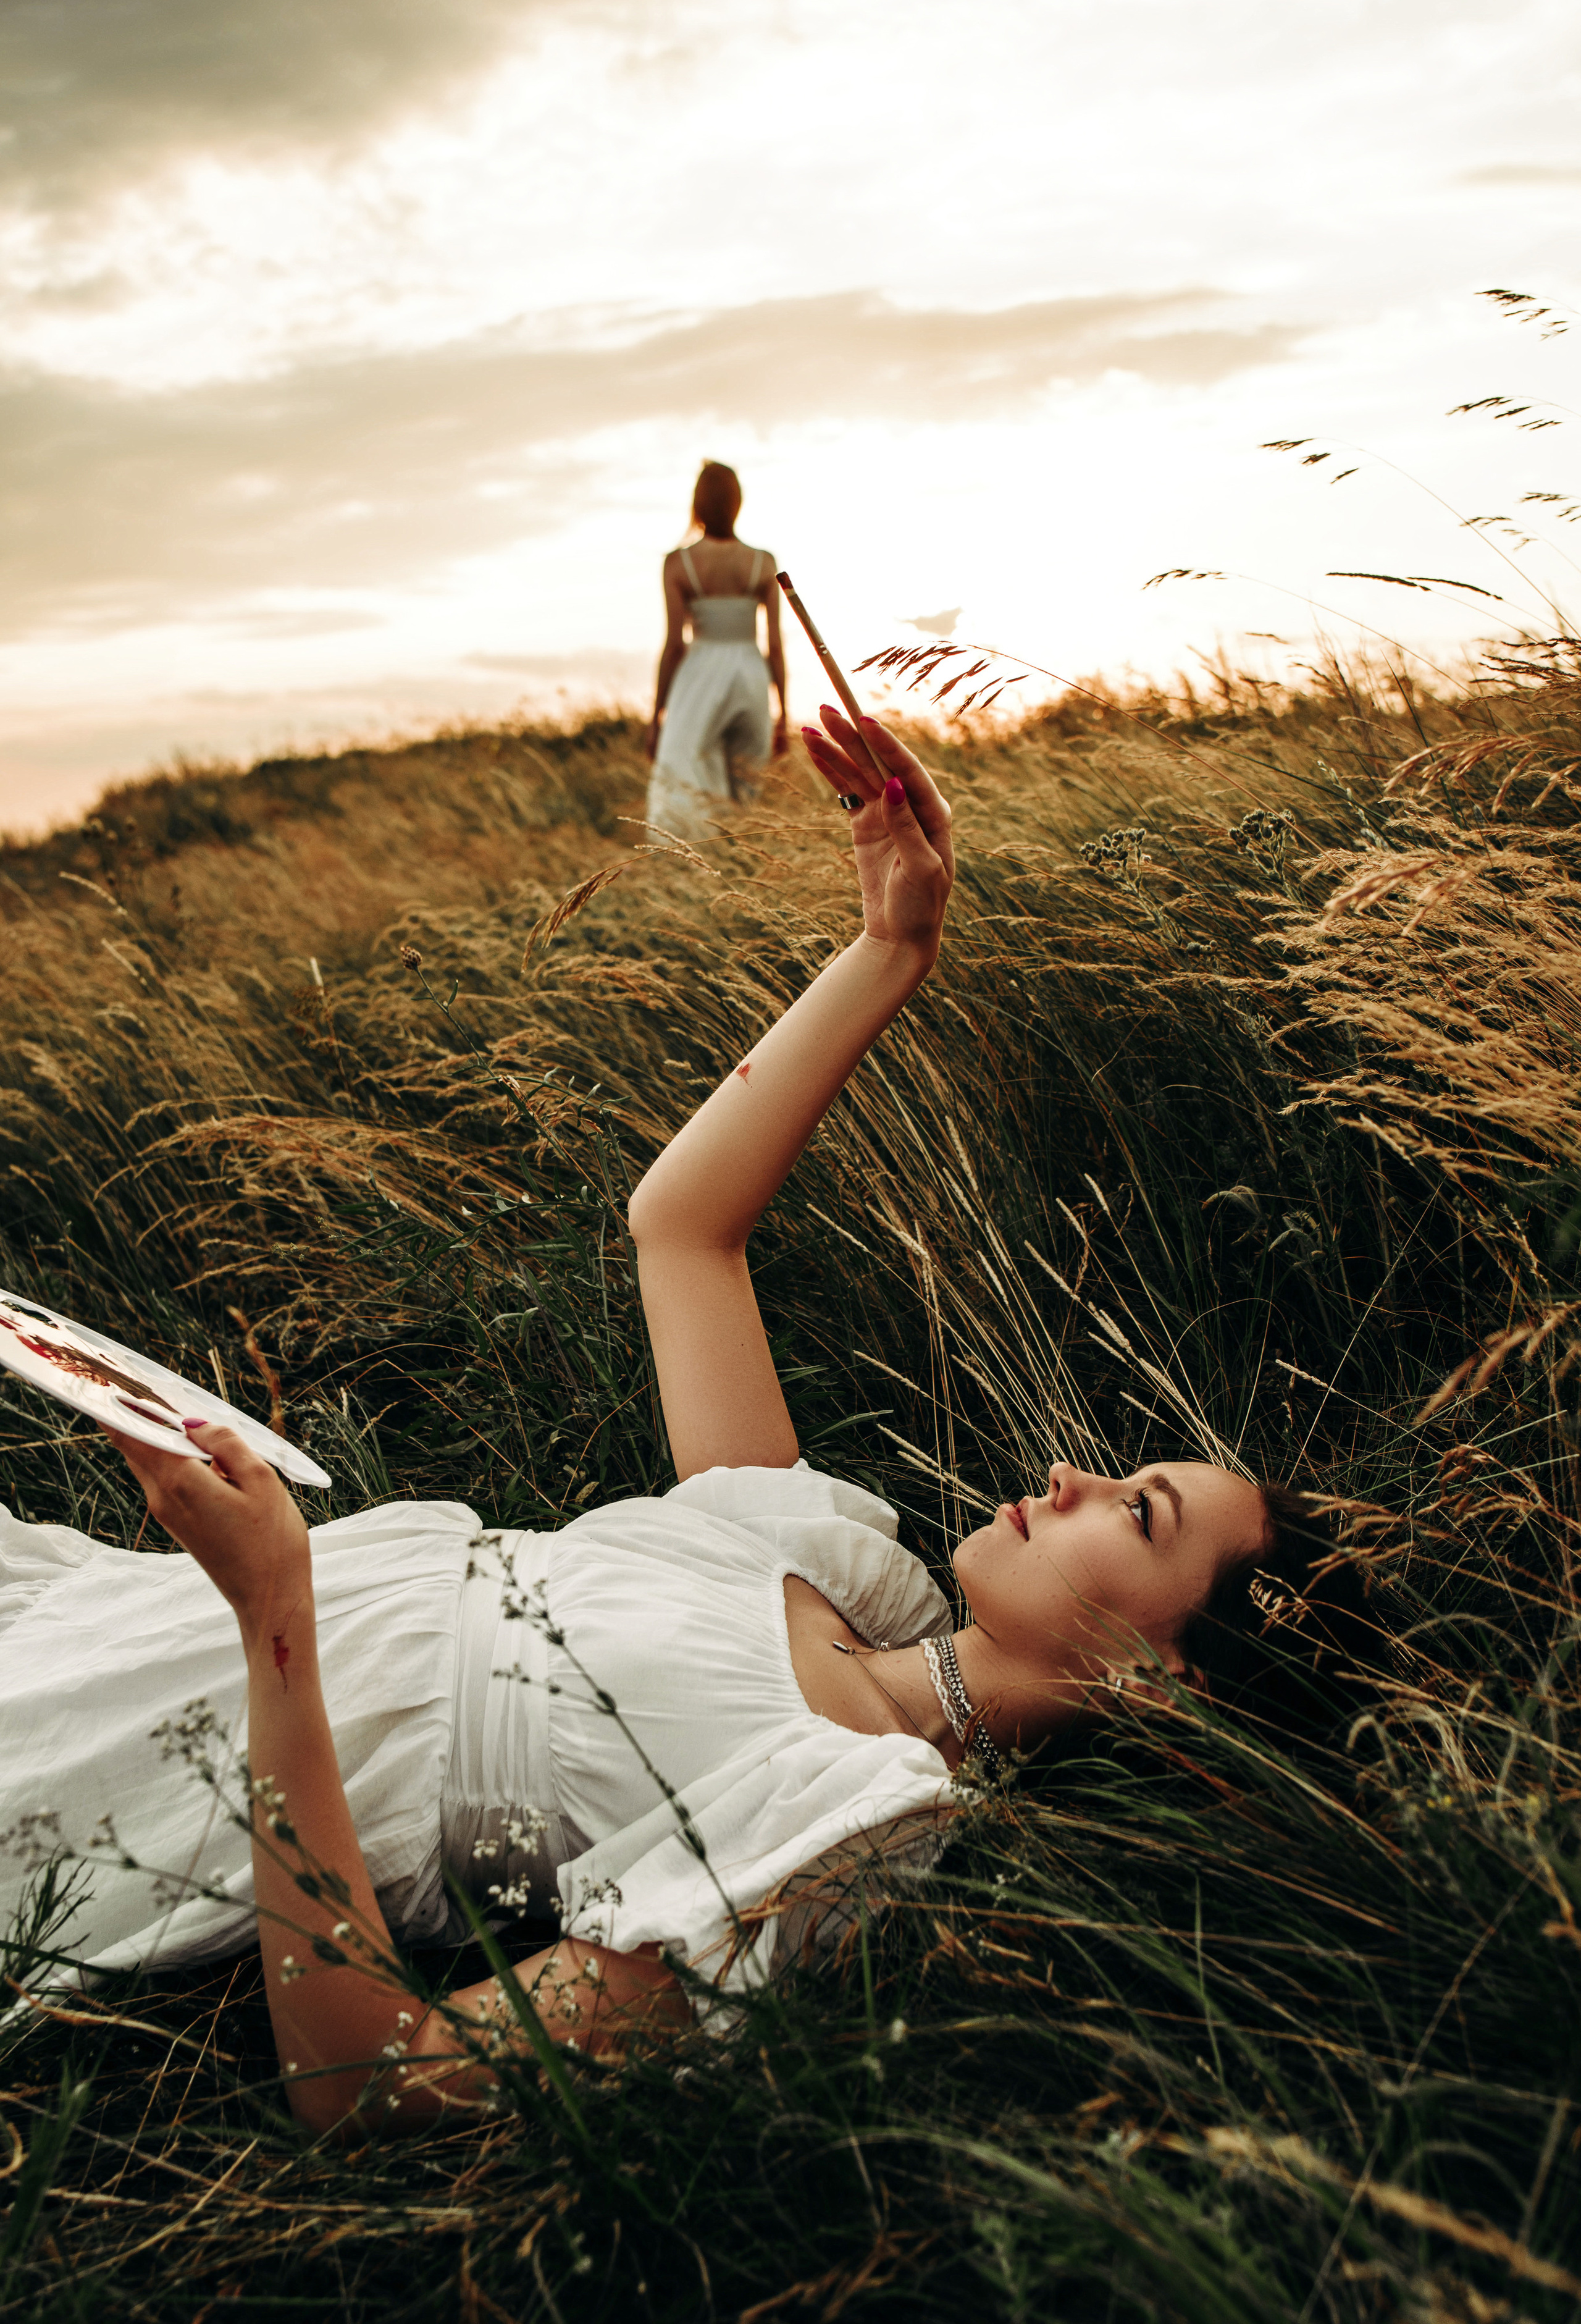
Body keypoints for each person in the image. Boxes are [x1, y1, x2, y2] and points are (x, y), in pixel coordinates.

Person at [0, 714, 1380, 2138]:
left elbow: (368, 2076)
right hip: (144, 1628)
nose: (1069, 1472)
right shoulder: (846, 1579)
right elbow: (682, 1231)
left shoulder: (846, 1833)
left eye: (1135, 1509)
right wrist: (887, 948)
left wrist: (275, 1615)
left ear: (1162, 1685)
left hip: (193, 1750)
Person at [643, 461, 788, 837]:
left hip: (700, 671)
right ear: (737, 503)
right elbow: (775, 644)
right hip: (751, 672)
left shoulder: (678, 564)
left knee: (684, 770)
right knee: (748, 786)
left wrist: (657, 715)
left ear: (698, 505)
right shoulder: (763, 562)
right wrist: (784, 713)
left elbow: (674, 645)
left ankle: (693, 866)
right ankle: (744, 865)